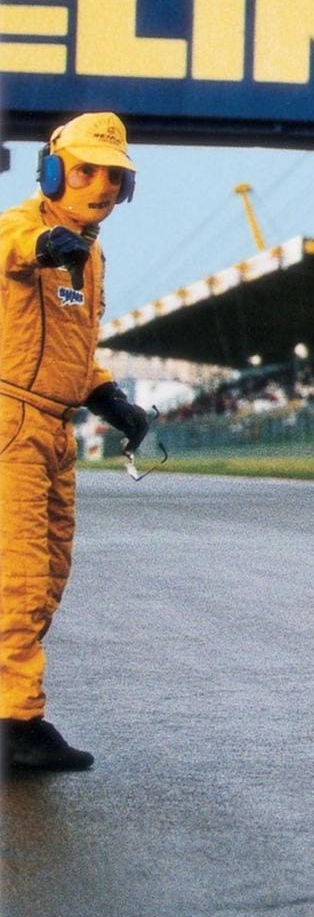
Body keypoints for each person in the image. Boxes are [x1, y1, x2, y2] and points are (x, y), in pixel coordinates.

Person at [1, 113, 149, 773]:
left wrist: (109, 397)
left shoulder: (89, 257)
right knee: (20, 577)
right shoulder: (24, 227)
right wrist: (43, 246)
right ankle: (15, 720)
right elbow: (13, 246)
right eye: (86, 171)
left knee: (49, 573)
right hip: (10, 423)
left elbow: (70, 347)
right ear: (54, 171)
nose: (101, 186)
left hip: (53, 429)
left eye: (113, 176)